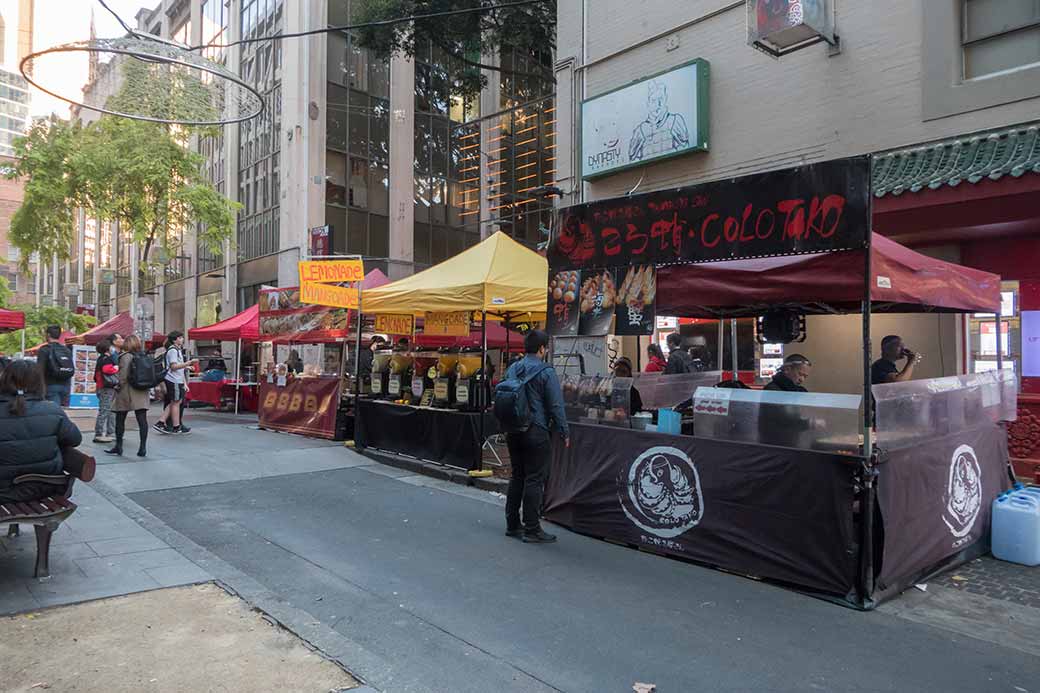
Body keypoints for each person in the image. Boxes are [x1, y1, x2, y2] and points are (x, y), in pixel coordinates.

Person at [503, 329, 569, 544]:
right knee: (534, 478)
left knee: (517, 475)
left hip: (513, 429)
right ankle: (532, 528)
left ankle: (512, 524)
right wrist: (564, 430)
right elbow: (556, 404)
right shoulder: (546, 371)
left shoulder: (513, 368)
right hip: (536, 430)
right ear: (542, 349)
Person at [0, 360, 84, 503]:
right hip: (46, 487)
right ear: (39, 382)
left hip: (4, 492)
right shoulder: (52, 409)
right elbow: (75, 439)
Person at [108, 334, 152, 457]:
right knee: (142, 420)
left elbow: (123, 376)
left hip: (127, 391)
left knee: (120, 418)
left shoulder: (125, 357)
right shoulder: (143, 355)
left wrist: (117, 386)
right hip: (142, 390)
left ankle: (119, 446)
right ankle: (142, 447)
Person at [156, 331, 198, 435]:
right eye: (180, 337)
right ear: (175, 340)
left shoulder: (176, 350)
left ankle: (162, 422)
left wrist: (186, 368)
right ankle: (175, 426)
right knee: (176, 402)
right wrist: (188, 363)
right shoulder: (173, 351)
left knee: (175, 402)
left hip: (176, 379)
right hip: (173, 379)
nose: (182, 339)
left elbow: (178, 367)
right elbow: (173, 366)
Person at [37, 325, 74, 407]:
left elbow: (40, 370)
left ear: (48, 335)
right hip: (65, 386)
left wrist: (40, 388)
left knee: (52, 410)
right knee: (61, 411)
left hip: (50, 385)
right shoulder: (66, 350)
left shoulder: (44, 349)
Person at [92, 338, 119, 443]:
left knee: (108, 410)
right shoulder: (106, 359)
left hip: (102, 387)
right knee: (105, 410)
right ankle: (99, 433)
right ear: (108, 348)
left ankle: (110, 432)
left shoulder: (100, 359)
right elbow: (107, 370)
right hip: (106, 388)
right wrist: (116, 368)